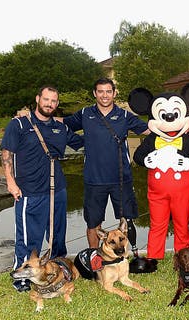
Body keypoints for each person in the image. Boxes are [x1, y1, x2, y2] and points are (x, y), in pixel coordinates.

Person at [1, 86, 83, 292]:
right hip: (29, 191)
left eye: (54, 101)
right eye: (46, 99)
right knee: (29, 238)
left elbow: (84, 143)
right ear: (37, 99)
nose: (50, 104)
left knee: (57, 236)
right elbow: (6, 155)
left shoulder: (60, 128)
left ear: (57, 104)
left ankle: (57, 270)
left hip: (58, 191)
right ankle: (22, 277)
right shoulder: (18, 124)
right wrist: (10, 182)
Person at [62, 78, 149, 249]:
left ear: (114, 93)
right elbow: (63, 124)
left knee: (126, 220)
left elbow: (148, 129)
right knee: (93, 223)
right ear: (95, 93)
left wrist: (180, 124)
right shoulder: (85, 113)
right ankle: (95, 258)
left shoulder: (124, 115)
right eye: (100, 91)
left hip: (121, 178)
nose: (104, 95)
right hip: (94, 180)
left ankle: (127, 255)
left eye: (108, 91)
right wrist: (34, 119)